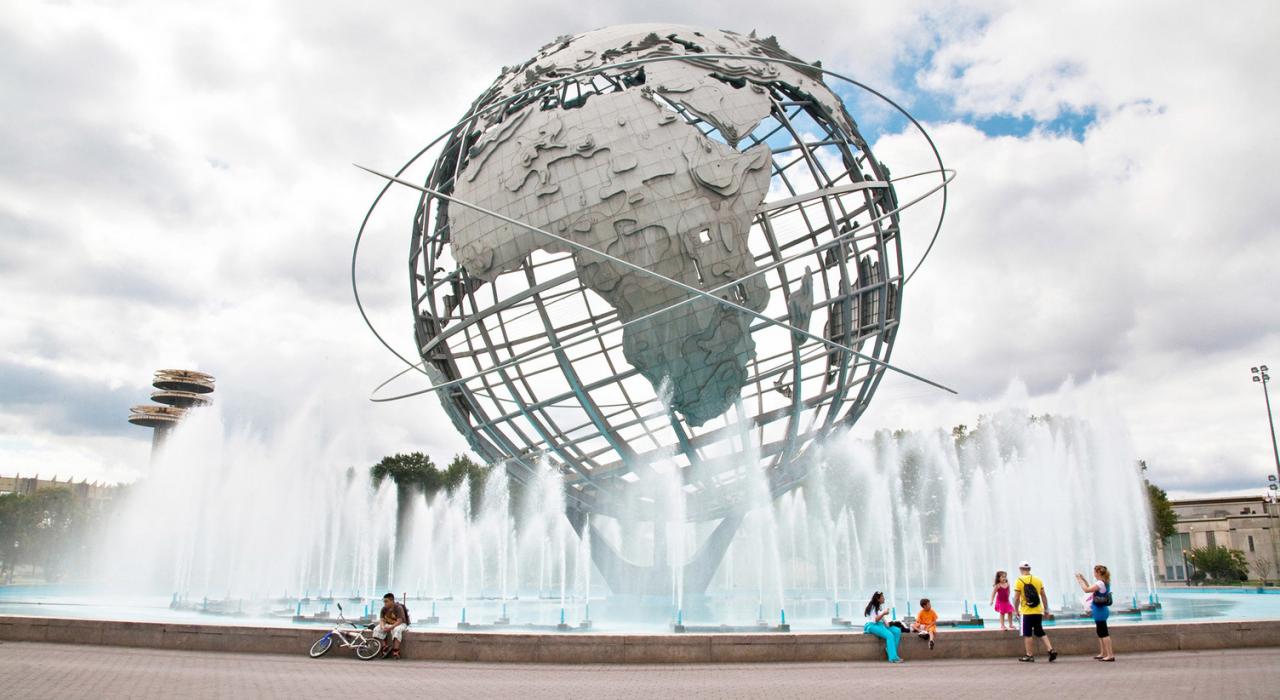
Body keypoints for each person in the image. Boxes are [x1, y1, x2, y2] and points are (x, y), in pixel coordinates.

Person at [1012, 561, 1057, 663]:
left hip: (1026, 612)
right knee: (1039, 631)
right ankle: (1050, 650)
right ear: (1029, 569)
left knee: (1027, 634)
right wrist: (1046, 609)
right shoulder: (1038, 580)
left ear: (1020, 569)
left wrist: (1015, 610)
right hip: (1037, 611)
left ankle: (1029, 655)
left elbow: (1016, 598)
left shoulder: (1019, 580)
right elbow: (1043, 596)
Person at [1076, 564, 1116, 662]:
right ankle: (1103, 653)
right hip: (1100, 610)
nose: (1093, 573)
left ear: (1098, 572)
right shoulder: (1103, 582)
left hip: (1100, 611)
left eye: (1094, 571)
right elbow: (1090, 587)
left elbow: (1086, 590)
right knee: (1100, 632)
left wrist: (1079, 580)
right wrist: (1083, 579)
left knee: (1104, 633)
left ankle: (1110, 655)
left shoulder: (1100, 583)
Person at [862, 591, 903, 663]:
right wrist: (884, 613)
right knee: (889, 635)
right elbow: (875, 620)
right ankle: (893, 658)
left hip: (880, 624)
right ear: (878, 599)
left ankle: (889, 650)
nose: (884, 598)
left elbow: (881, 617)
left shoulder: (879, 606)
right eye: (882, 597)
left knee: (897, 630)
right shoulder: (873, 607)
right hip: (872, 625)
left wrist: (886, 622)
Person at [373, 592, 409, 659]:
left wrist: (390, 628)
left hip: (401, 624)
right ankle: (385, 647)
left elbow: (399, 621)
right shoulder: (384, 609)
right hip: (389, 624)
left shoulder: (398, 608)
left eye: (386, 601)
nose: (385, 603)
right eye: (384, 601)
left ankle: (396, 651)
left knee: (397, 630)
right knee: (377, 629)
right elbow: (382, 620)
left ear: (392, 601)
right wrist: (382, 627)